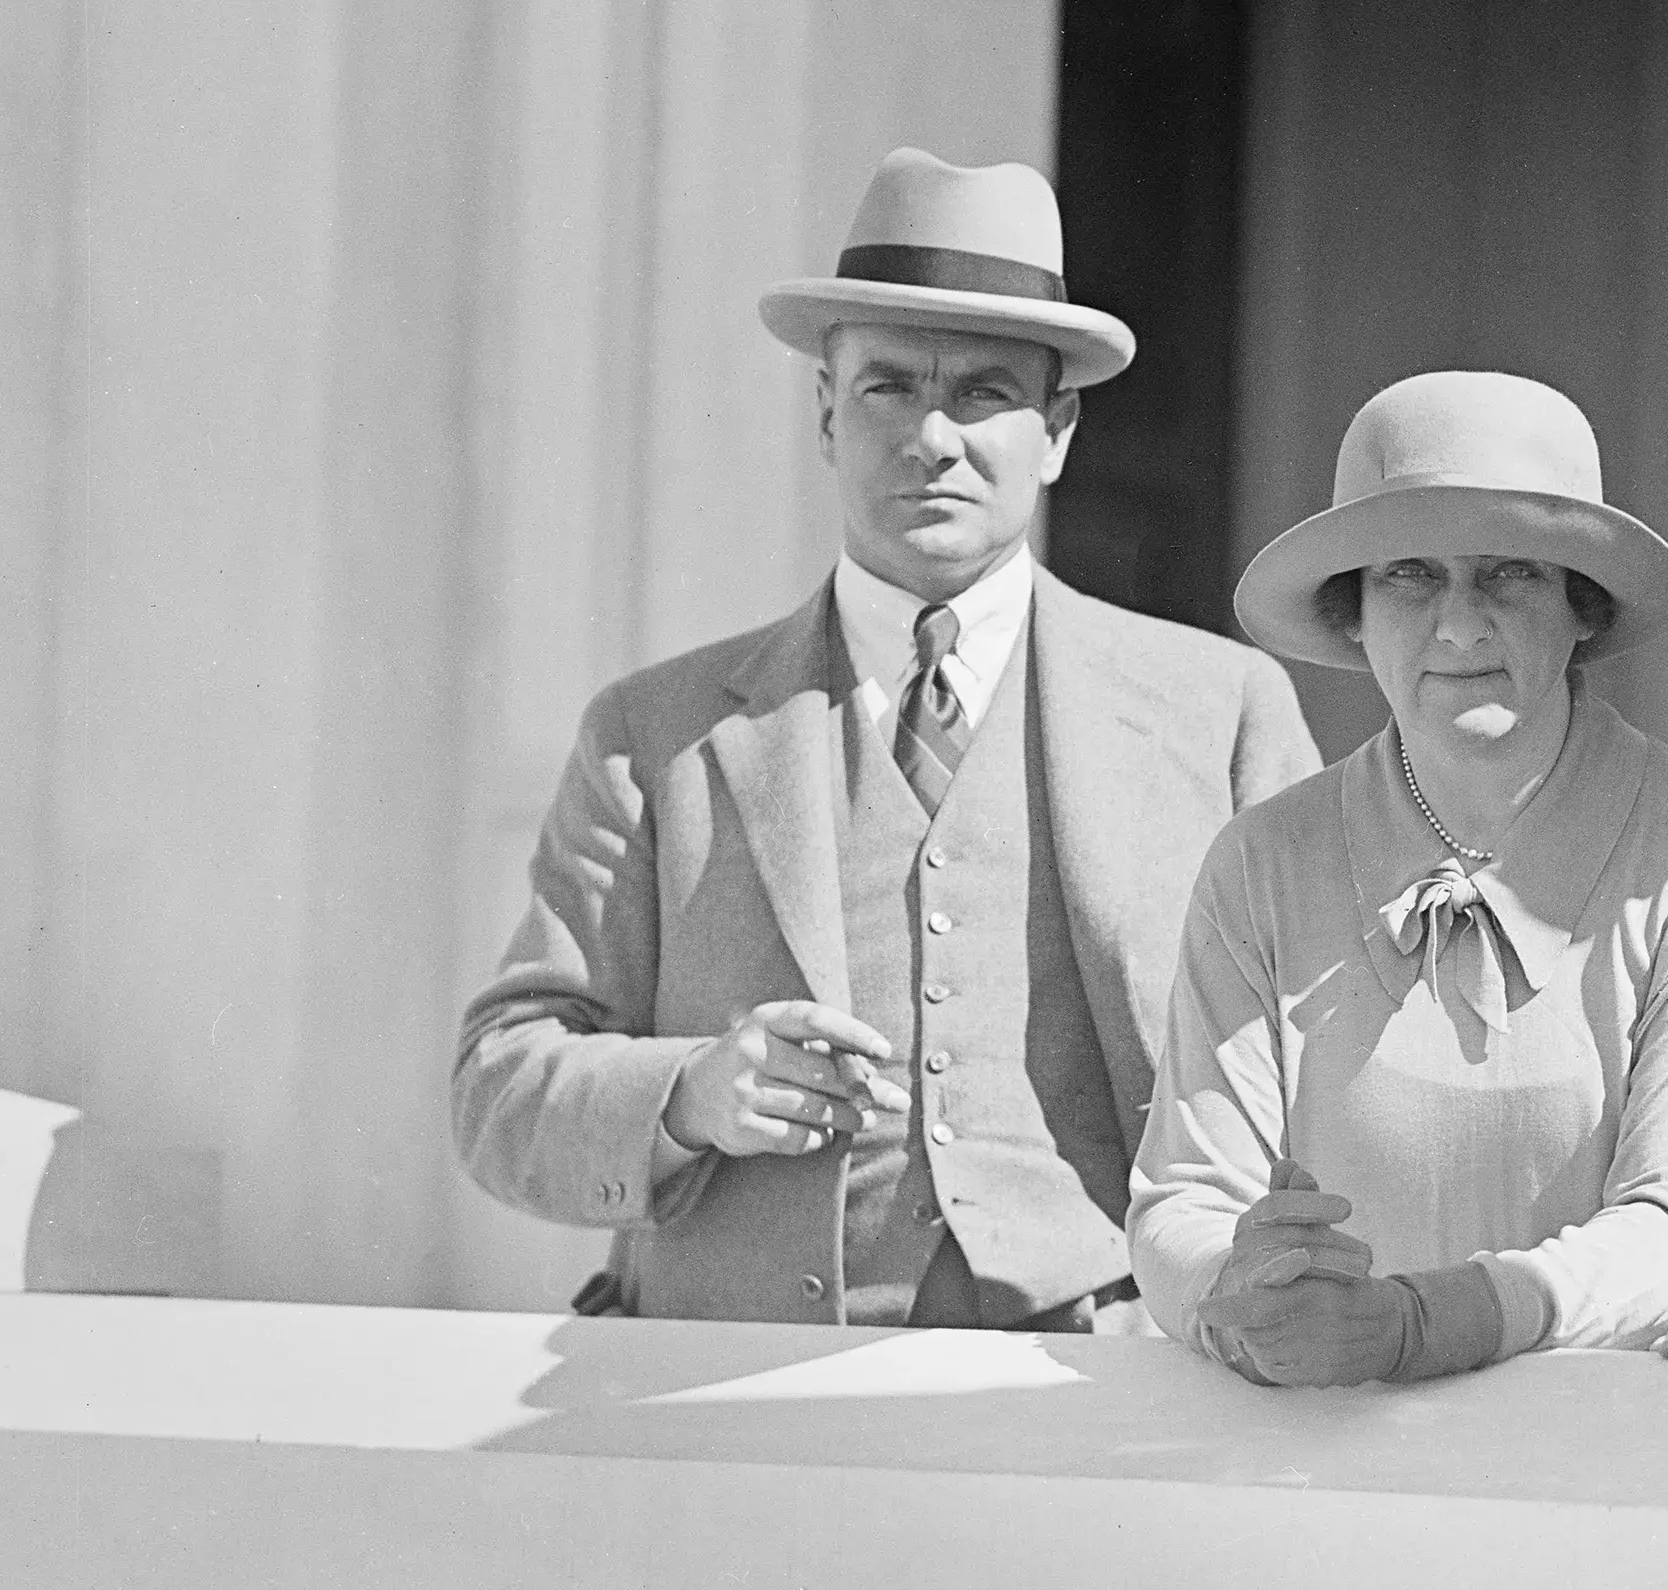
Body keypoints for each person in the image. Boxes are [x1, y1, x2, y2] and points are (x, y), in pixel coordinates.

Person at [453, 149, 1314, 1325]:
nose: (931, 438)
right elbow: (500, 1087)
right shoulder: (657, 737)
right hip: (738, 1399)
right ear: (823, 413)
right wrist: (687, 1094)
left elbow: (1322, 1069)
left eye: (983, 394)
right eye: (888, 387)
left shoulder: (1218, 713)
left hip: (1096, 1388)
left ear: (1056, 430)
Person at [1129, 372, 1668, 1385]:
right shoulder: (1264, 861)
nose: (1457, 624)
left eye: (1510, 575)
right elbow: (1183, 1196)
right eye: (1408, 574)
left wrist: (1415, 1322)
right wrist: (1243, 1294)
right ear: (1349, 613)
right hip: (1313, 1459)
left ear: (1583, 605)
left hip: (1597, 1476)